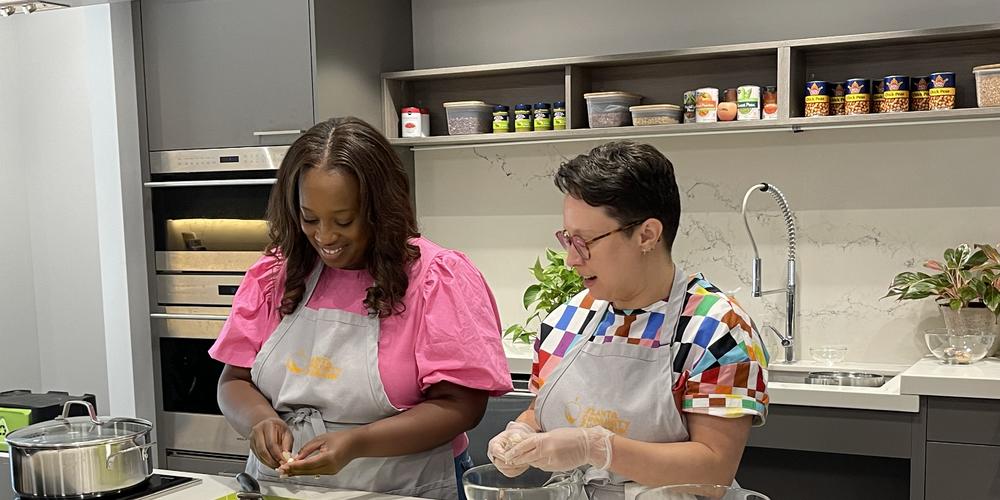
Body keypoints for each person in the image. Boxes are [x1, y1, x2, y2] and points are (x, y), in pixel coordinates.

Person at [209, 117, 513, 499]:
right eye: (309, 218)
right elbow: (233, 381)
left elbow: (462, 407)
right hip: (281, 488)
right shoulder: (277, 274)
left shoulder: (437, 278)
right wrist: (260, 420)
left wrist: (356, 443)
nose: (325, 236)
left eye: (344, 220)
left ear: (380, 209)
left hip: (402, 488)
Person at [487, 141, 769, 499]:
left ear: (647, 235)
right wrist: (522, 434)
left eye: (586, 241)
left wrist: (598, 448)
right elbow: (542, 411)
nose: (572, 259)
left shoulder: (716, 329)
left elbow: (713, 468)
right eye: (567, 239)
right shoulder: (566, 321)